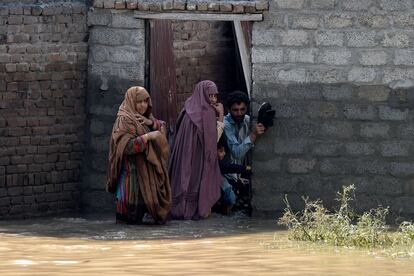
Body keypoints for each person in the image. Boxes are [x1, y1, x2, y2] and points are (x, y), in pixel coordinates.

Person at [106, 86, 171, 225]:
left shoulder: (146, 118)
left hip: (145, 177)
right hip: (130, 177)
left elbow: (162, 129)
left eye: (145, 101)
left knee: (140, 222)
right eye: (139, 102)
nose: (143, 105)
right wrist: (148, 136)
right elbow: (126, 147)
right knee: (125, 222)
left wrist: (151, 123)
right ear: (131, 101)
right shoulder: (124, 120)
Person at [169, 80, 224, 220]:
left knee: (184, 179)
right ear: (202, 94)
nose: (212, 99)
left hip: (184, 156)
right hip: (198, 157)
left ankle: (180, 209)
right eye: (210, 95)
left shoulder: (188, 108)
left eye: (214, 96)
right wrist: (221, 117)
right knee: (196, 182)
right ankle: (196, 211)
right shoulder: (207, 112)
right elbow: (212, 141)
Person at [222, 91, 265, 214]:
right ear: (229, 110)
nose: (239, 113)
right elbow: (237, 153)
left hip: (237, 172)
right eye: (235, 110)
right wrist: (253, 135)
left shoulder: (247, 120)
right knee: (229, 199)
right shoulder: (226, 125)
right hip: (223, 171)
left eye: (242, 109)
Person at [216, 135, 251, 215]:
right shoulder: (216, 164)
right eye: (221, 151)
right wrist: (246, 168)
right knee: (230, 196)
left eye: (224, 151)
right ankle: (226, 212)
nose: (224, 154)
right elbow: (228, 168)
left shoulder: (218, 163)